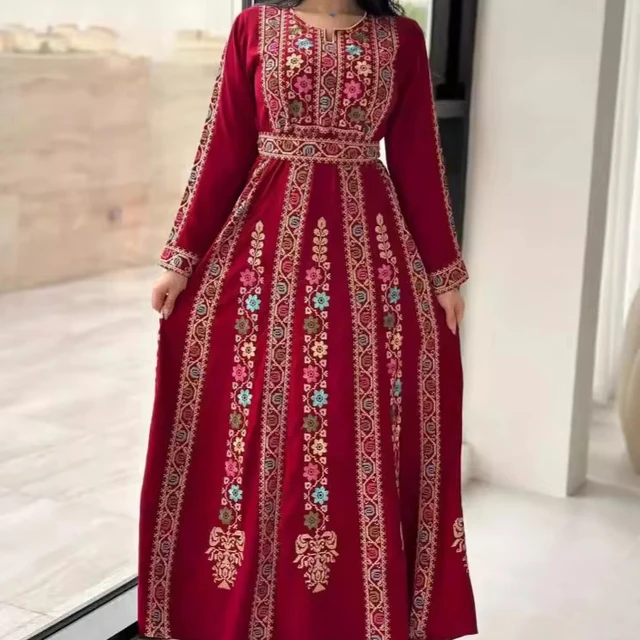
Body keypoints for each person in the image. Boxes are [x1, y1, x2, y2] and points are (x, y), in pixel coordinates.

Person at [138, 1, 477, 638]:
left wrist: (443, 271)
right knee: (258, 431)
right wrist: (180, 260)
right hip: (261, 259)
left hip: (367, 266)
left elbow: (417, 158)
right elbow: (223, 147)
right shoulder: (253, 28)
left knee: (348, 430)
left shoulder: (402, 39)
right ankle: (242, 608)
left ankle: (343, 612)